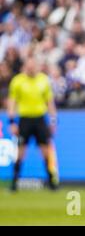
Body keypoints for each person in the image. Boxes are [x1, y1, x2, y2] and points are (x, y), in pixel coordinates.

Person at [7, 57, 59, 191]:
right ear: (25, 66)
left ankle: (52, 181)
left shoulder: (43, 80)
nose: (31, 68)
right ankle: (14, 182)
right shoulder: (18, 81)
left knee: (46, 151)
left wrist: (53, 120)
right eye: (28, 66)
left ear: (37, 66)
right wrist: (12, 122)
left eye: (33, 65)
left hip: (40, 119)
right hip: (24, 119)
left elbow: (49, 102)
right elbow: (12, 102)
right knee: (20, 151)